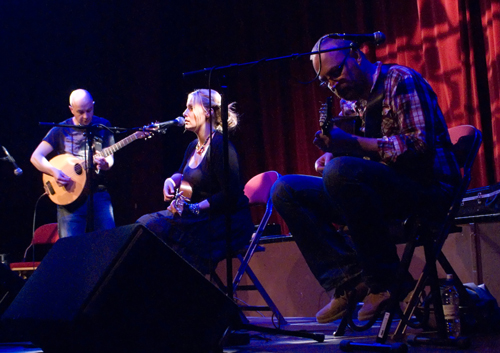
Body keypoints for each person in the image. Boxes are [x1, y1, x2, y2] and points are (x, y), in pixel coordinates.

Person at [271, 36, 461, 323]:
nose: (334, 85)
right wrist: (334, 156)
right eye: (326, 81)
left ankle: (384, 282)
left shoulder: (400, 80)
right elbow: (357, 158)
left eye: (336, 73)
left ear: (356, 56)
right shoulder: (352, 104)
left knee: (342, 172)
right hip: (381, 195)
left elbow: (420, 147)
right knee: (285, 189)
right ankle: (352, 279)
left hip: (427, 189)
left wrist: (352, 147)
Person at [137, 89, 254, 275]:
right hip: (201, 218)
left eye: (191, 108)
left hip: (225, 222)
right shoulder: (194, 146)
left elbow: (229, 195)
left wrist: (195, 208)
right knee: (145, 227)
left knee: (151, 226)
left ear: (208, 112)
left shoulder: (220, 146)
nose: (184, 113)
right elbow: (183, 173)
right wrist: (171, 180)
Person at [31, 89, 115, 238]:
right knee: (71, 251)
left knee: (108, 244)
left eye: (89, 110)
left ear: (93, 105)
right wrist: (54, 172)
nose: (86, 116)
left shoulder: (103, 126)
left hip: (98, 195)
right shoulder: (60, 130)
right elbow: (36, 157)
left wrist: (104, 164)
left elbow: (110, 159)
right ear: (71, 110)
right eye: (80, 112)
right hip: (70, 198)